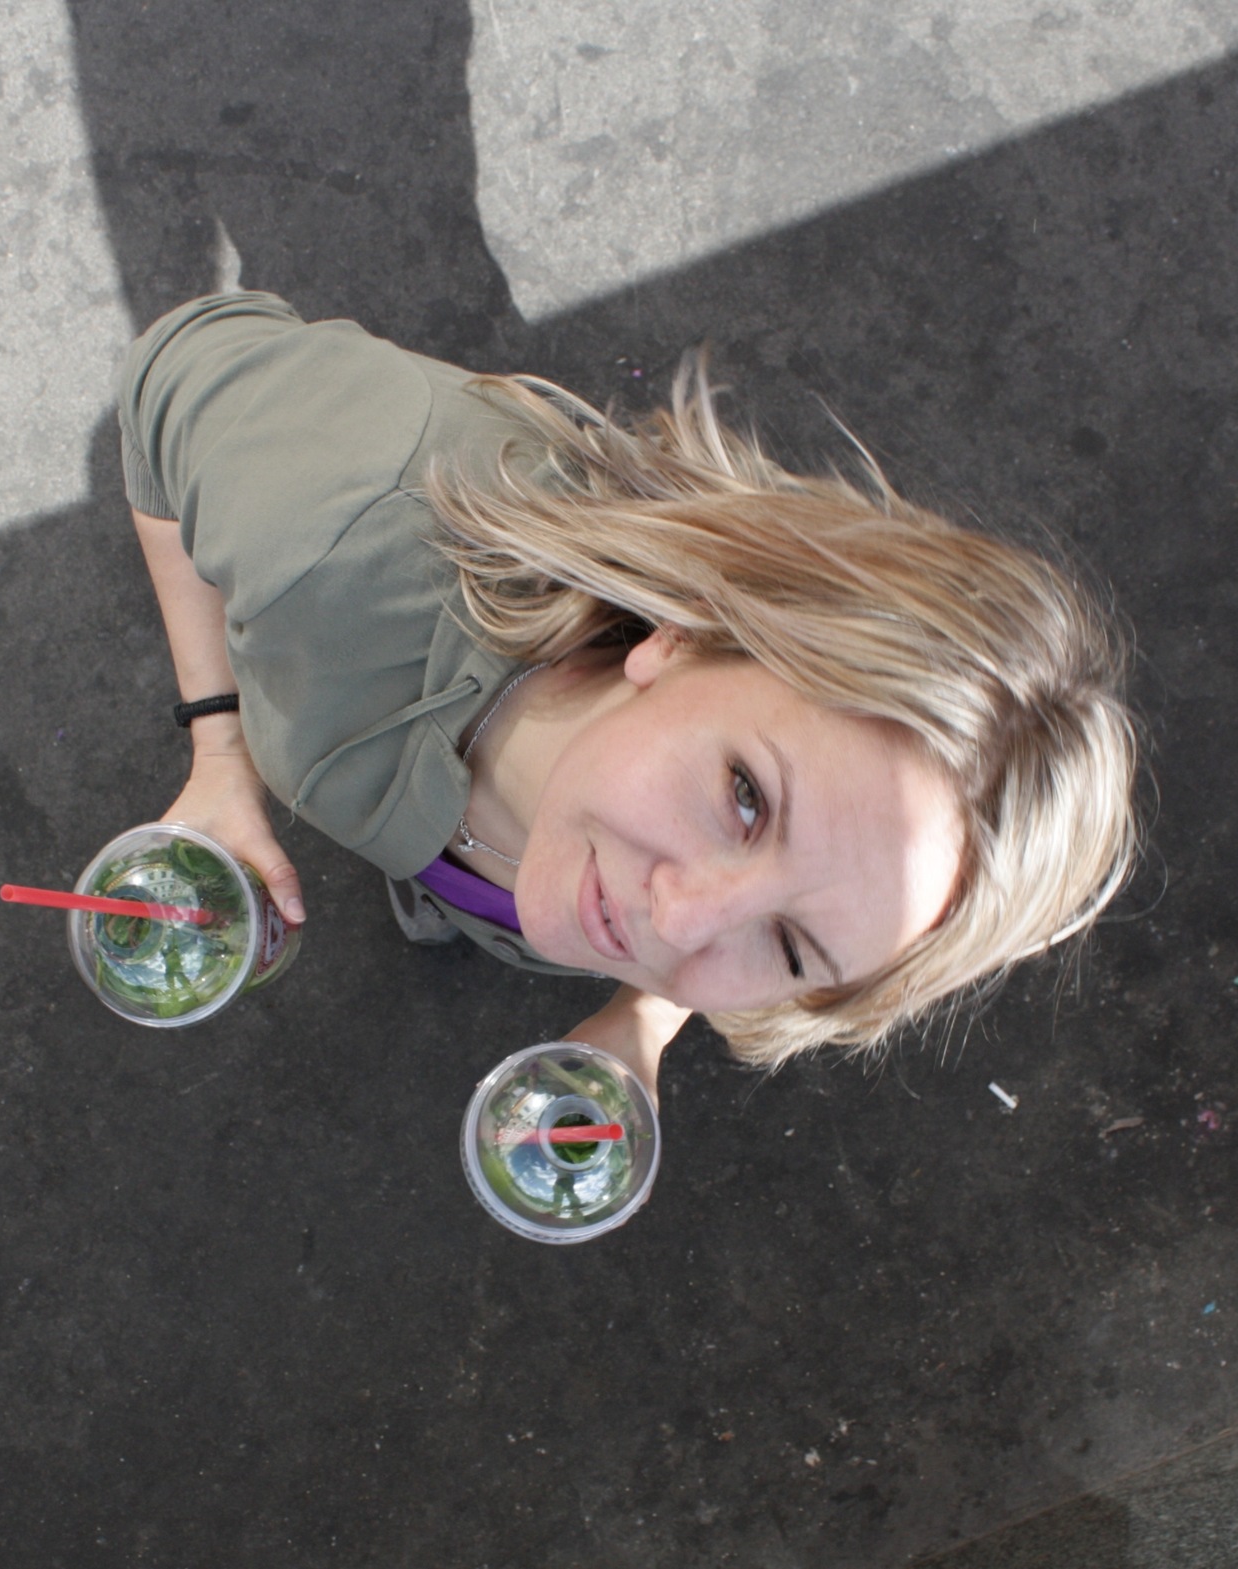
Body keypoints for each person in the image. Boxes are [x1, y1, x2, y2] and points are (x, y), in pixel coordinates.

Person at [120, 291, 1137, 1097]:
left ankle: (438, 894)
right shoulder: (335, 523)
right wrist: (219, 749)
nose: (679, 921)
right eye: (746, 796)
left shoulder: (651, 881)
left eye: (789, 944)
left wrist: (642, 1016)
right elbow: (171, 373)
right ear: (690, 635)